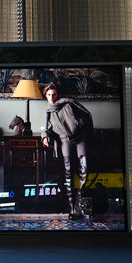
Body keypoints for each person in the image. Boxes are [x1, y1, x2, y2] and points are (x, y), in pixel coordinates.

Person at [41, 83, 93, 220]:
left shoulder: (69, 104)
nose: (52, 97)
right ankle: (72, 208)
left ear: (58, 94)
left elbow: (87, 115)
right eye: (49, 95)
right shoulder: (48, 112)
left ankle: (80, 204)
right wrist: (44, 137)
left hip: (80, 138)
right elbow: (44, 128)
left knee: (84, 169)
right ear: (45, 95)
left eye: (54, 94)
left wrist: (78, 124)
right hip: (65, 141)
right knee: (68, 172)